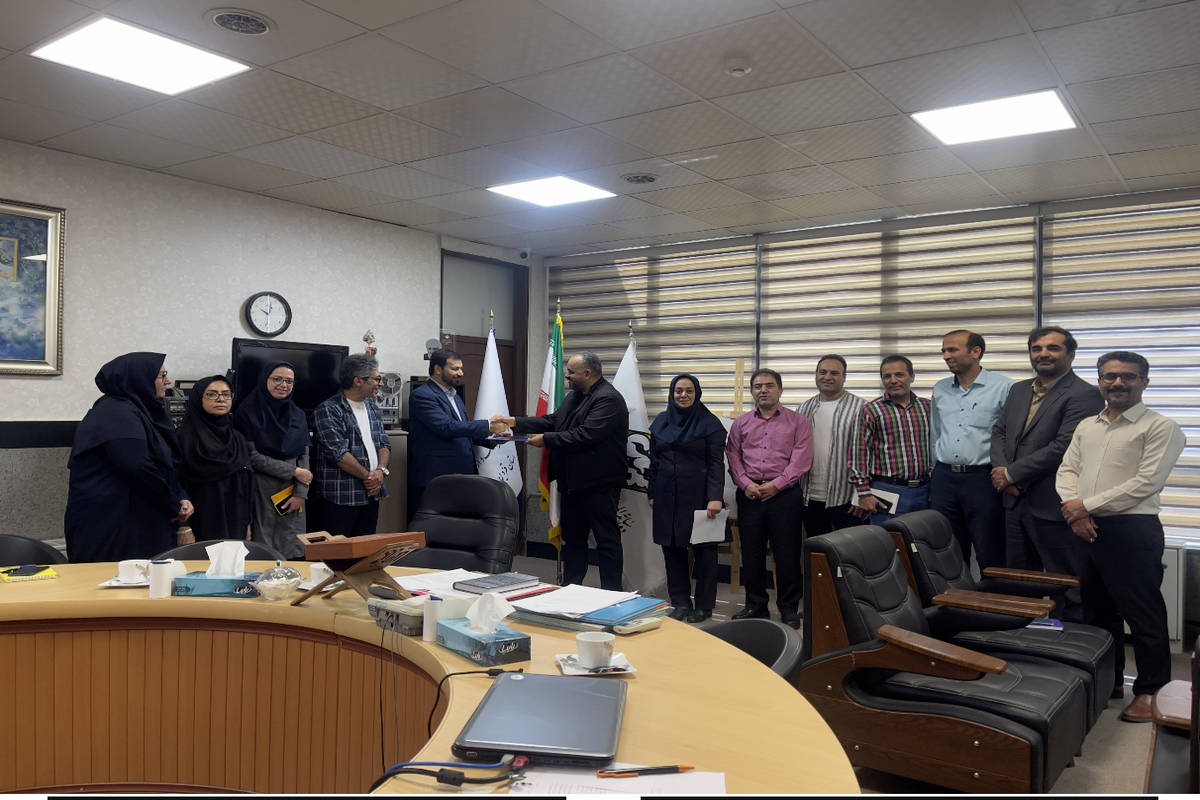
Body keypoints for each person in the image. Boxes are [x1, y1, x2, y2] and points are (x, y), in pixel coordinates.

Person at [1056, 351, 1185, 723]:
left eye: (1128, 376)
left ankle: (1150, 689)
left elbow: (1147, 482)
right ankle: (1109, 680)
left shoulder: (1161, 427)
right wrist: (1076, 509)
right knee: (1096, 610)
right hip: (1084, 527)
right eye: (1109, 376)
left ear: (1144, 382)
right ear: (1100, 381)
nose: (1117, 383)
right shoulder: (1087, 426)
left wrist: (1084, 506)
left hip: (1132, 529)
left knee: (1142, 613)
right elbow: (1067, 470)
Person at [990, 326, 1103, 620]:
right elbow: (1000, 432)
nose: (1043, 354)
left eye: (1053, 348)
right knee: (1019, 581)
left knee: (1064, 584)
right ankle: (1021, 640)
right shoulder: (1019, 389)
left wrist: (1012, 475)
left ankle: (1068, 643)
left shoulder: (1086, 395)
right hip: (1014, 503)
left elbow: (1064, 446)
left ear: (1071, 354)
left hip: (1053, 505)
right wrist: (1002, 472)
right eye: (1036, 348)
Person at [493, 351, 628, 590]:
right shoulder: (575, 396)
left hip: (599, 485)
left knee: (606, 540)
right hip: (572, 483)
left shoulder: (609, 399)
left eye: (571, 372)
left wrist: (546, 440)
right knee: (573, 540)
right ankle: (571, 588)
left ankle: (612, 593)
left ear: (588, 373)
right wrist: (516, 422)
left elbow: (586, 435)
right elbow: (554, 421)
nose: (567, 376)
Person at [65, 352, 193, 561]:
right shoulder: (116, 413)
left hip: (137, 519)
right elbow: (137, 467)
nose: (168, 381)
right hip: (113, 525)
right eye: (162, 375)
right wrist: (173, 503)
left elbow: (164, 464)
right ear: (139, 378)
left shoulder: (140, 411)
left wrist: (180, 495)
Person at [726, 368, 813, 627]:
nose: (763, 390)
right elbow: (733, 456)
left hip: (785, 496)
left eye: (769, 385)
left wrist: (777, 485)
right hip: (750, 495)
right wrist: (745, 484)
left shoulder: (799, 422)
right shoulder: (741, 424)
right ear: (752, 391)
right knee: (751, 553)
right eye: (758, 386)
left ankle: (788, 608)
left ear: (780, 390)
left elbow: (801, 460)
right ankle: (756, 606)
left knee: (787, 553)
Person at [929, 330, 1013, 570]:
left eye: (952, 350)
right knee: (949, 549)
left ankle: (993, 595)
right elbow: (936, 431)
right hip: (944, 478)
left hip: (983, 479)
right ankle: (957, 593)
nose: (946, 356)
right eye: (943, 351)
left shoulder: (1004, 387)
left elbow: (1011, 436)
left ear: (976, 352)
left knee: (990, 548)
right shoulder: (941, 388)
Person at [648, 374, 727, 623]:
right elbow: (654, 462)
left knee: (705, 554)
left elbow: (716, 464)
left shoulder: (710, 424)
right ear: (672, 394)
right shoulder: (661, 422)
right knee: (672, 551)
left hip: (700, 497)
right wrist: (652, 492)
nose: (683, 395)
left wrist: (715, 497)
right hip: (666, 496)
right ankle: (680, 602)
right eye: (679, 391)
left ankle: (704, 606)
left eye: (689, 391)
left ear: (697, 393)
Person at [407, 348, 507, 519]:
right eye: (455, 369)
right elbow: (446, 427)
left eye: (461, 368)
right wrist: (488, 425)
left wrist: (491, 439)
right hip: (436, 477)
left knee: (458, 524)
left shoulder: (455, 396)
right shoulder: (422, 395)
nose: (461, 373)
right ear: (438, 369)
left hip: (461, 474)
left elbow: (462, 431)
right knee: (435, 526)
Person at [233, 362, 313, 560]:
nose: (283, 385)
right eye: (277, 379)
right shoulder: (247, 412)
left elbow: (304, 456)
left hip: (293, 491)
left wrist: (301, 493)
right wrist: (294, 472)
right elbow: (252, 457)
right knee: (263, 549)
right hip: (261, 489)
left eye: (289, 381)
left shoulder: (297, 414)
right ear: (265, 380)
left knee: (292, 547)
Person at [311, 353, 392, 536]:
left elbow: (384, 443)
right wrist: (370, 478)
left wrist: (381, 471)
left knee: (366, 548)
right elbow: (338, 454)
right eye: (376, 379)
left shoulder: (372, 407)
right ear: (358, 381)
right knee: (338, 551)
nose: (380, 384)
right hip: (342, 497)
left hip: (372, 493)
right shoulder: (328, 410)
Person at [849, 355, 933, 525]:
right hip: (887, 491)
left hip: (925, 490)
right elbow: (859, 455)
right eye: (887, 376)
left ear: (912, 376)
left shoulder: (928, 407)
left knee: (923, 539)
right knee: (889, 540)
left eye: (899, 375)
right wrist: (863, 494)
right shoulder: (870, 411)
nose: (893, 380)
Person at [177, 375, 254, 541]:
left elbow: (246, 485)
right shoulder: (185, 439)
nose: (221, 399)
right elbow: (177, 484)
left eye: (226, 394)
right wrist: (184, 526)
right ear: (198, 399)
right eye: (212, 394)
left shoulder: (237, 439)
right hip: (200, 522)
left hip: (235, 520)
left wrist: (247, 522)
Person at [796, 355, 867, 535]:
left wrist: (861, 495)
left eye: (834, 373)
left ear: (844, 377)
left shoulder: (862, 408)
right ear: (816, 375)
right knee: (817, 549)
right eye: (823, 372)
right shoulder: (803, 409)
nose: (827, 377)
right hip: (809, 498)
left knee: (850, 549)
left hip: (847, 499)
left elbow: (871, 454)